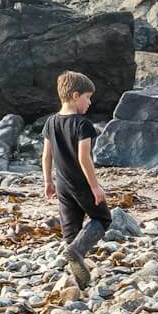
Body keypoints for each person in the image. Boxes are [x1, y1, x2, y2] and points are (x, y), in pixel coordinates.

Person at [42, 70, 108, 294]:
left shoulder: (51, 122)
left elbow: (46, 155)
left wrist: (47, 181)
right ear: (75, 95)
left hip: (61, 184)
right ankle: (78, 251)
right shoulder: (82, 124)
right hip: (81, 183)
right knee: (102, 218)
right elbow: (83, 157)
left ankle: (81, 283)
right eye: (88, 97)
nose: (89, 103)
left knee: (70, 231)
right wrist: (95, 186)